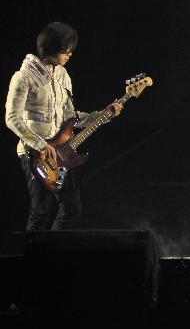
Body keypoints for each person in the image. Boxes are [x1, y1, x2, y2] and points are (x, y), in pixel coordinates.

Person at [5, 22, 122, 231]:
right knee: (41, 212)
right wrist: (40, 145)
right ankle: (33, 260)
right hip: (35, 154)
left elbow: (71, 117)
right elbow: (12, 117)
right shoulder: (23, 77)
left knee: (72, 209)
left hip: (62, 152)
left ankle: (53, 254)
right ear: (52, 47)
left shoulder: (63, 76)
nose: (69, 54)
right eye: (66, 48)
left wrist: (103, 115)